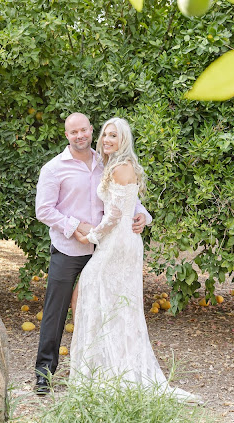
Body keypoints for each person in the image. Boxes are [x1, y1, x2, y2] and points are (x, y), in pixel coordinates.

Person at [70, 117, 202, 404]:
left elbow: (116, 214)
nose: (107, 140)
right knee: (115, 300)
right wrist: (145, 216)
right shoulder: (116, 164)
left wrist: (90, 237)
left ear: (123, 140)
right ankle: (106, 362)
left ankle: (110, 367)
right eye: (105, 135)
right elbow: (133, 205)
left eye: (113, 136)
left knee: (95, 287)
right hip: (124, 241)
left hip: (117, 241)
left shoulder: (119, 168)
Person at [34, 112, 152, 395]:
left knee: (102, 306)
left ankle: (98, 367)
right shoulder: (54, 169)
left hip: (103, 248)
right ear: (67, 135)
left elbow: (126, 196)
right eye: (73, 132)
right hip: (68, 247)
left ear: (90, 131)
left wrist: (143, 216)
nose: (80, 136)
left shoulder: (105, 162)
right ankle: (44, 375)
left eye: (84, 130)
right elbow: (44, 210)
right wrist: (74, 227)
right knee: (56, 310)